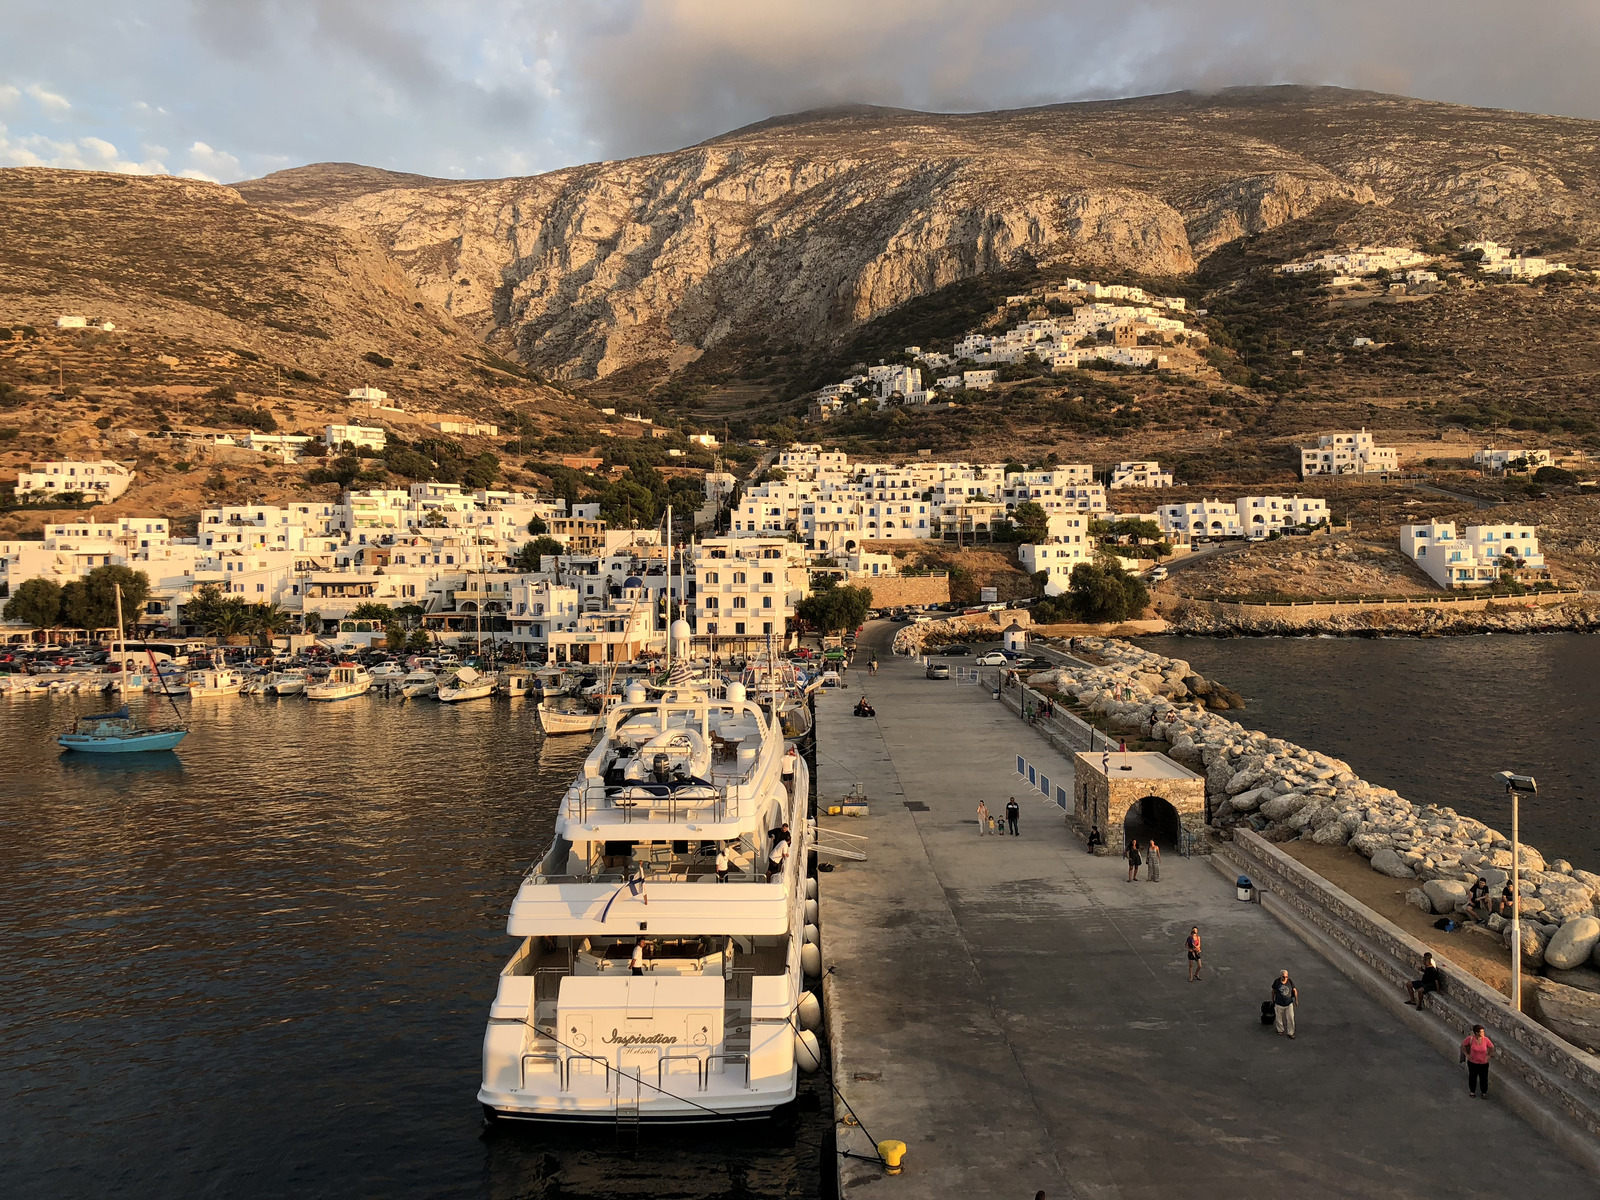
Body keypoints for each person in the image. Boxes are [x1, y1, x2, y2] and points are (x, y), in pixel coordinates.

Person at [1461, 1024, 1494, 1098]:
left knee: (1484, 1078)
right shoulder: (1470, 1039)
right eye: (1481, 1032)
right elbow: (1463, 1045)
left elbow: (1492, 1047)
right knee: (1472, 1077)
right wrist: (1467, 1054)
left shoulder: (1486, 1040)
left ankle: (1484, 1092)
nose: (1483, 1033)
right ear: (1476, 1033)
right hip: (1473, 1062)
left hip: (1483, 1063)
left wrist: (1488, 1056)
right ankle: (1472, 1091)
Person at [1271, 970, 1297, 1038]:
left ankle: (1290, 1032)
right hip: (1279, 1003)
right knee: (1278, 1017)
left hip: (1288, 1003)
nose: (1285, 978)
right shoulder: (1277, 982)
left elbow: (1294, 990)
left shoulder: (1290, 981)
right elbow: (1273, 991)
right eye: (1284, 976)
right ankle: (1280, 1029)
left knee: (1291, 1017)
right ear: (1281, 976)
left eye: (1286, 976)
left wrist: (1296, 1000)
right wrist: (1272, 1000)